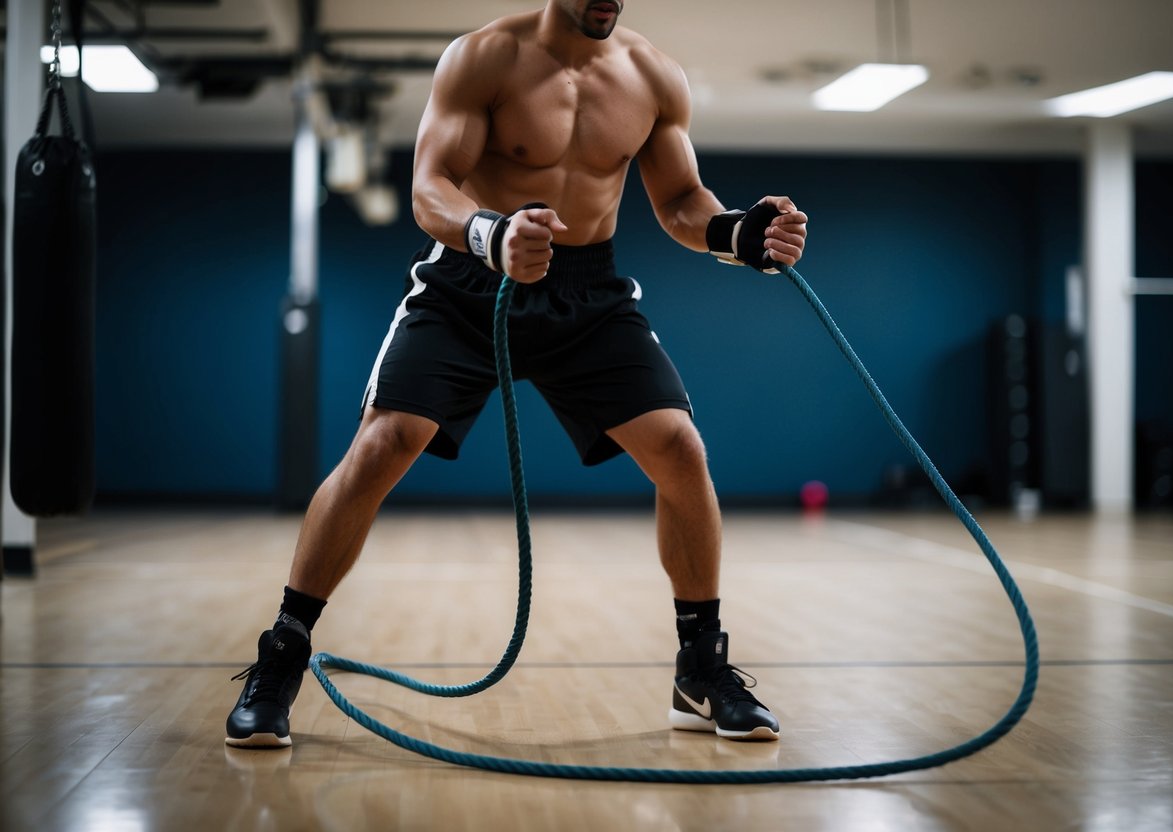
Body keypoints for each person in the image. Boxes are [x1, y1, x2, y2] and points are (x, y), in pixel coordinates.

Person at [225, 0, 807, 748]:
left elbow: (678, 202)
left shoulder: (652, 75)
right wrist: (487, 233)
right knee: (384, 441)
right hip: (470, 281)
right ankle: (281, 656)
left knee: (680, 451)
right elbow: (430, 186)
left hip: (587, 295)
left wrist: (735, 231)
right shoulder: (484, 57)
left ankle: (699, 667)